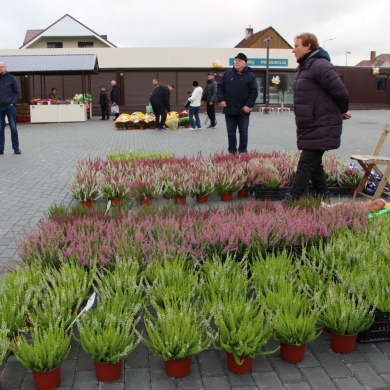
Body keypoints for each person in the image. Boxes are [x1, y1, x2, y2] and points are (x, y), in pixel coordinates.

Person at [283, 33, 351, 204]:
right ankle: (324, 197)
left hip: (321, 124)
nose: (294, 50)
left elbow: (341, 92)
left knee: (306, 164)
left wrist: (340, 110)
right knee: (315, 164)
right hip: (311, 124)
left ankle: (290, 200)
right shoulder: (305, 66)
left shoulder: (320, 65)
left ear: (308, 45)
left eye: (297, 45)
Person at [217, 53, 258, 154]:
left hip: (243, 110)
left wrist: (249, 105)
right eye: (235, 60)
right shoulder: (227, 74)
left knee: (243, 132)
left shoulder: (250, 76)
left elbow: (254, 92)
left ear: (244, 63)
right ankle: (232, 151)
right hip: (229, 109)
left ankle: (243, 151)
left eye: (239, 61)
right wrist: (221, 99)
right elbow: (219, 87)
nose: (236, 62)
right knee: (231, 133)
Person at [0, 61, 21, 155]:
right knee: (0, 128)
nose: (0, 68)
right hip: (0, 107)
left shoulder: (11, 78)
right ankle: (1, 148)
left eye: (1, 67)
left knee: (13, 127)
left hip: (9, 106)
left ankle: (16, 148)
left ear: (5, 67)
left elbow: (17, 92)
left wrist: (13, 102)